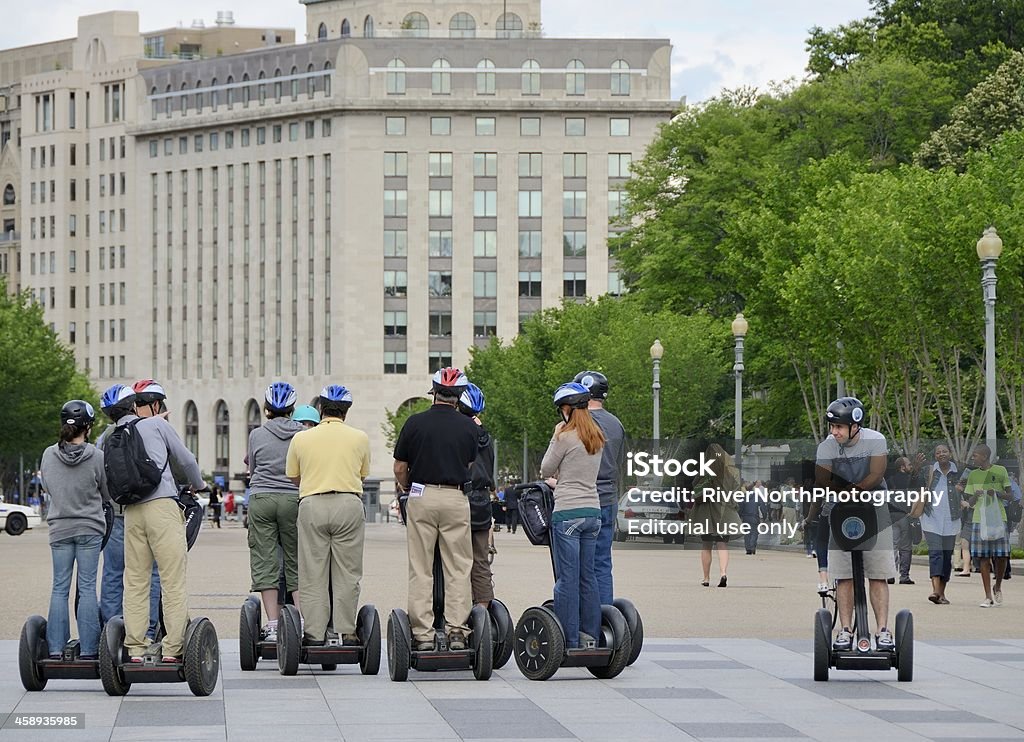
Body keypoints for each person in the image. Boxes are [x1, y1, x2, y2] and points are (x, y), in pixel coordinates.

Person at [118, 380, 206, 664]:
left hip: (131, 511)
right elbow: (187, 461)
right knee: (172, 581)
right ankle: (172, 648)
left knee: (135, 581)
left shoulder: (117, 432)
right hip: (162, 508)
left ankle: (134, 647)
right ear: (155, 405)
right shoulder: (158, 425)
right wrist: (198, 485)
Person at [393, 368, 479, 652]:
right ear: (458, 397)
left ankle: (423, 634)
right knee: (458, 567)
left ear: (434, 393)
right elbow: (468, 465)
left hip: (422, 494)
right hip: (455, 498)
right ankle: (457, 631)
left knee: (421, 567)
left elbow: (400, 466)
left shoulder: (415, 423)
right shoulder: (469, 427)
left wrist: (406, 488)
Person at [806, 396, 895, 652]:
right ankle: (845, 630)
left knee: (878, 575)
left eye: (839, 427)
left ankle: (883, 631)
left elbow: (877, 473)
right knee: (843, 575)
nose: (834, 432)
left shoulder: (875, 440)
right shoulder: (827, 447)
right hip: (840, 514)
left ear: (855, 425)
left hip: (875, 512)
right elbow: (822, 478)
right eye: (832, 427)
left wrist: (854, 489)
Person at [286, 385, 370, 645]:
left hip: (313, 503)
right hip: (348, 502)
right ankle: (346, 630)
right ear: (346, 411)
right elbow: (362, 474)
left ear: (320, 408)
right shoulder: (360, 438)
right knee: (348, 572)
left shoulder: (301, 438)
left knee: (313, 572)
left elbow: (293, 476)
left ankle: (314, 632)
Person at [40, 400, 108, 660]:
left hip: (60, 528)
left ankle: (56, 649)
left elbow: (48, 487)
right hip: (89, 527)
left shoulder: (48, 455)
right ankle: (90, 649)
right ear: (87, 427)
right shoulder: (97, 456)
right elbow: (106, 493)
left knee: (59, 587)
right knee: (87, 587)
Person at [540, 382, 605, 649]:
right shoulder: (597, 437)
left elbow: (546, 469)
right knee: (587, 576)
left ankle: (568, 639)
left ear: (567, 409)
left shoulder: (565, 437)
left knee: (566, 579)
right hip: (593, 512)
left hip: (568, 513)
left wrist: (556, 435)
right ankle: (589, 635)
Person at [96, 385, 161, 635]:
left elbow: (102, 475)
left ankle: (111, 631)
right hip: (145, 508)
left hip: (116, 512)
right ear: (133, 405)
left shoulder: (105, 437)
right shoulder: (146, 429)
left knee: (113, 572)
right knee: (150, 573)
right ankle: (149, 630)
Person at [246, 382, 305, 642]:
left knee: (265, 559)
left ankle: (272, 623)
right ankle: (301, 620)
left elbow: (252, 469)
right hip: (293, 498)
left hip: (262, 497)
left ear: (267, 409)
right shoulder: (303, 434)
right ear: (292, 409)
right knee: (296, 558)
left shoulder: (256, 434)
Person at [573, 370, 625, 605]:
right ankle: (605, 613)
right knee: (603, 561)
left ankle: (584, 615)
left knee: (577, 563)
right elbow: (620, 462)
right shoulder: (616, 424)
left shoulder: (576, 423)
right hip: (609, 498)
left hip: (582, 498)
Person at [458, 383, 496, 607]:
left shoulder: (459, 433)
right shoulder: (486, 438)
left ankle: (457, 608)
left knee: (455, 559)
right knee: (480, 559)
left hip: (462, 496)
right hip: (482, 501)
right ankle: (483, 607)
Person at [910, 444, 960, 604]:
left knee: (946, 557)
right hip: (931, 520)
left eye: (944, 451)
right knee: (936, 553)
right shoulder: (929, 471)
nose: (941, 454)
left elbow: (970, 492)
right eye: (938, 452)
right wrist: (915, 470)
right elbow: (913, 485)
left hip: (951, 521)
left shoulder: (959, 472)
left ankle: (941, 593)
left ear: (950, 454)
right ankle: (935, 591)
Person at [963, 444, 1012, 607]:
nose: (973, 458)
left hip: (998, 518)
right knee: (983, 557)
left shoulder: (1000, 471)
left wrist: (996, 493)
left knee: (1002, 556)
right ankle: (988, 596)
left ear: (984, 456)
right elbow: (969, 502)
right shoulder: (973, 475)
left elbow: (1010, 495)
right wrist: (975, 497)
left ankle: (997, 585)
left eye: (975, 455)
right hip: (979, 519)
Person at [688, 443, 743, 587]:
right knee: (722, 544)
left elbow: (695, 486)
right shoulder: (733, 471)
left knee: (706, 545)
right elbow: (737, 492)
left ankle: (706, 578)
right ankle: (723, 573)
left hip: (706, 511)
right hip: (724, 511)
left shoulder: (705, 469)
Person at [889, 455, 926, 585]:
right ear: (902, 467)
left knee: (892, 546)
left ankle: (890, 575)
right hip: (906, 516)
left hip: (892, 516)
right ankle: (904, 576)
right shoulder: (911, 480)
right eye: (909, 465)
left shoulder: (890, 480)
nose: (910, 467)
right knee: (905, 548)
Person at [737, 479, 766, 555]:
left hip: (745, 517)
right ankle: (752, 547)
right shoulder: (757, 496)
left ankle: (748, 549)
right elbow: (763, 506)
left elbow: (740, 508)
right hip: (754, 516)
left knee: (747, 533)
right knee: (754, 533)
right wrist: (764, 516)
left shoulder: (743, 497)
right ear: (753, 488)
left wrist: (739, 516)